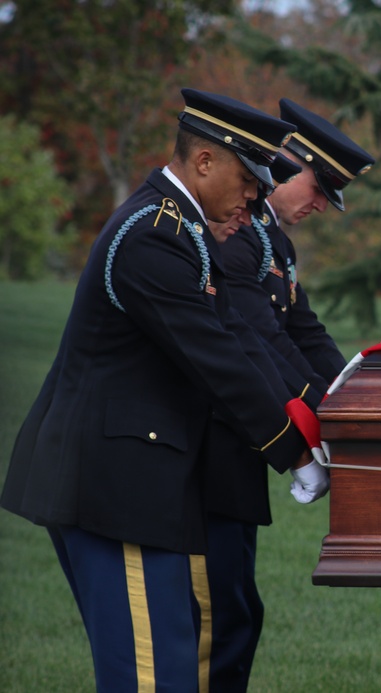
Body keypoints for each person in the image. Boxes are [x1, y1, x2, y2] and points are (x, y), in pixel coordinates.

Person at [0, 88, 331, 691]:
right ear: (203, 162)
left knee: (171, 668)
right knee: (152, 679)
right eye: (248, 179)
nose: (257, 196)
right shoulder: (155, 235)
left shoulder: (187, 232)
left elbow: (238, 337)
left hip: (136, 484)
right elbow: (217, 362)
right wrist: (294, 451)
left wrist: (320, 421)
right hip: (110, 485)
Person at [201, 101, 375, 690]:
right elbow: (258, 338)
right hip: (214, 448)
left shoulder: (276, 245)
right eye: (319, 185)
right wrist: (321, 421)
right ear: (283, 164)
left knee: (239, 612)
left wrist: (353, 398)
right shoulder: (236, 237)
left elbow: (307, 333)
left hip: (240, 453)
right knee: (221, 616)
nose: (322, 203)